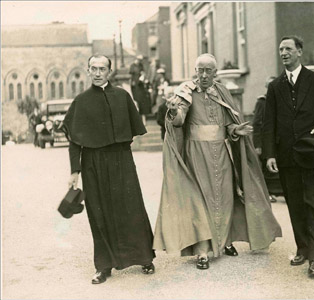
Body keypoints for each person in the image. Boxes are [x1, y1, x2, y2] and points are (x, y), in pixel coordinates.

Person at [153, 53, 282, 270]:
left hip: (222, 153)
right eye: (199, 70)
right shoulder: (186, 91)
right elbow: (179, 120)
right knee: (201, 200)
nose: (203, 75)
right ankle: (203, 251)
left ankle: (224, 243)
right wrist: (174, 110)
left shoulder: (221, 91)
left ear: (215, 73)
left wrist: (235, 130)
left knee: (225, 197)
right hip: (196, 153)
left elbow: (227, 124)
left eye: (207, 71)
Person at [62, 54, 155, 284]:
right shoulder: (81, 101)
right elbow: (74, 142)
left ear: (109, 71)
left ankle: (144, 257)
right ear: (87, 70)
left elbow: (131, 130)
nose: (97, 72)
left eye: (102, 68)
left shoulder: (122, 96)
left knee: (131, 207)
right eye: (93, 68)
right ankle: (104, 266)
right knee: (98, 212)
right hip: (92, 163)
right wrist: (75, 172)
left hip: (121, 160)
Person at [262, 36, 314, 278]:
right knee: (295, 205)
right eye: (280, 49)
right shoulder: (275, 87)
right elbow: (268, 124)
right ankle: (303, 249)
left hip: (313, 152)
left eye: (288, 49)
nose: (283, 53)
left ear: (299, 52)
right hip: (287, 157)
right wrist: (270, 155)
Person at [252, 76, 283, 203]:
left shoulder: (281, 102)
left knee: (279, 166)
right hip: (265, 141)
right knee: (266, 168)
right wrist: (257, 145)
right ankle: (268, 193)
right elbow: (257, 124)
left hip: (279, 141)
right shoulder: (262, 102)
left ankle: (281, 192)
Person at [129, 55, 151, 125]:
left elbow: (143, 73)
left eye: (140, 60)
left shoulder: (141, 66)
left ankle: (143, 120)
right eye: (139, 60)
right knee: (136, 101)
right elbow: (131, 76)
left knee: (142, 102)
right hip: (135, 86)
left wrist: (143, 76)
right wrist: (132, 82)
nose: (139, 61)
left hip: (140, 85)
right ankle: (137, 120)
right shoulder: (133, 66)